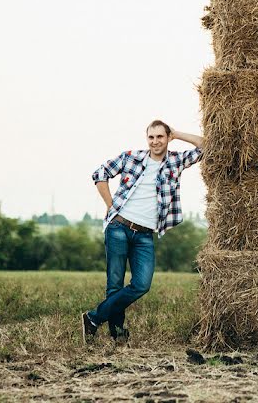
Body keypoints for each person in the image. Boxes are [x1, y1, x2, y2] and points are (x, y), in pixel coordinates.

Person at [82, 120, 203, 344]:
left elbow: (206, 146)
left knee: (142, 284)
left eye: (160, 137)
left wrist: (177, 133)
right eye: (151, 137)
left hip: (144, 235)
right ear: (146, 138)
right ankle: (117, 333)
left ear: (167, 138)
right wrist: (111, 205)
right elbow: (100, 174)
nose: (155, 141)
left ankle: (93, 318)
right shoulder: (131, 157)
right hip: (118, 226)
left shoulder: (175, 161)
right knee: (115, 283)